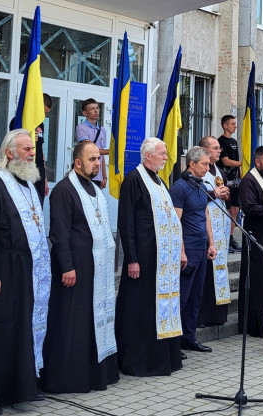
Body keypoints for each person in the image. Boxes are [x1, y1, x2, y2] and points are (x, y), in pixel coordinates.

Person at [0, 129, 50, 413]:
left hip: (27, 269)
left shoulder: (29, 184)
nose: (32, 154)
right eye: (26, 149)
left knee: (21, 328)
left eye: (32, 149)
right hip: (2, 268)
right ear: (9, 152)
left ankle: (20, 386)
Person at [42, 140, 119, 393]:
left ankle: (96, 372)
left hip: (96, 268)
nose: (97, 163)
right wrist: (66, 266)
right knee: (71, 321)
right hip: (74, 268)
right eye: (92, 159)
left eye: (98, 159)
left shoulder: (95, 189)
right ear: (77, 162)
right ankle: (69, 377)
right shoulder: (64, 190)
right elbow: (59, 232)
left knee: (91, 319)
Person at [114, 138, 184, 376]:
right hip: (142, 258)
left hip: (162, 260)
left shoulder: (159, 180)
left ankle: (163, 357)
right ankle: (139, 360)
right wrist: (131, 258)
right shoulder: (134, 179)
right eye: (162, 154)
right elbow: (126, 222)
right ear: (147, 156)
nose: (166, 157)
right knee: (140, 309)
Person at [171, 146, 216, 354]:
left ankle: (189, 337)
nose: (208, 168)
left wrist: (212, 243)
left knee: (196, 295)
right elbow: (176, 222)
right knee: (183, 295)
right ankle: (174, 339)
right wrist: (181, 251)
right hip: (187, 248)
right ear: (192, 164)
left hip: (201, 247)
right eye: (205, 164)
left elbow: (206, 214)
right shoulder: (180, 188)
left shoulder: (201, 186)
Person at [237, 146, 263, 337]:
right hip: (256, 233)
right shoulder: (249, 180)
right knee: (257, 279)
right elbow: (250, 208)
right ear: (257, 161)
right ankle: (254, 324)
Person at [197, 136, 232, 330]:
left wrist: (225, 194)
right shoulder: (198, 171)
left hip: (220, 225)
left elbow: (223, 192)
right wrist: (215, 194)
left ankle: (217, 315)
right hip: (204, 226)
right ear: (204, 149)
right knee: (206, 274)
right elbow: (194, 193)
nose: (220, 151)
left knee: (218, 270)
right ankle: (203, 315)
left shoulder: (219, 171)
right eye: (216, 148)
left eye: (219, 148)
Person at [75, 98, 109, 188]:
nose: (96, 111)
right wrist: (112, 151)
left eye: (97, 108)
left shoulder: (103, 130)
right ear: (85, 113)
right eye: (92, 109)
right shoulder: (81, 128)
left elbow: (101, 156)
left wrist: (104, 176)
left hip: (98, 175)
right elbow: (90, 150)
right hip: (85, 173)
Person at [217, 115, 242, 227]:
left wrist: (241, 173)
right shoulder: (220, 142)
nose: (235, 126)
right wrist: (243, 163)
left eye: (235, 124)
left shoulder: (234, 141)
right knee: (227, 208)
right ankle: (225, 235)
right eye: (232, 124)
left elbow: (236, 160)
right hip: (225, 180)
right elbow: (226, 161)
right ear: (225, 126)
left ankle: (231, 237)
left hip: (235, 180)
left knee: (235, 209)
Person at [32, 93, 54, 202]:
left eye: (46, 113)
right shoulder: (19, 121)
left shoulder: (41, 124)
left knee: (39, 204)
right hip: (26, 168)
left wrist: (45, 178)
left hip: (39, 169)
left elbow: (40, 149)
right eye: (43, 112)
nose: (44, 116)